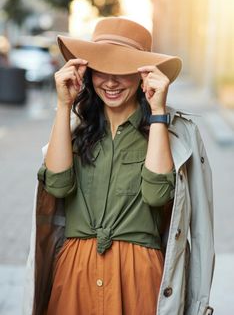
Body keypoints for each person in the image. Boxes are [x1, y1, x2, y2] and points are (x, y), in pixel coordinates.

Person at [23, 17, 215, 315]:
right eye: (102, 69)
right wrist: (63, 105)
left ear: (143, 75)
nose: (111, 82)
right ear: (88, 72)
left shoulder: (174, 131)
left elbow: (156, 196)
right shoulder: (74, 127)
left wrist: (158, 112)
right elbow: (58, 186)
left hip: (138, 278)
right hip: (75, 275)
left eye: (123, 70)